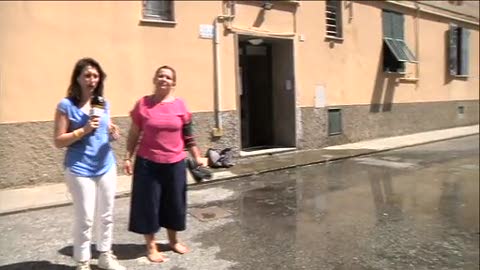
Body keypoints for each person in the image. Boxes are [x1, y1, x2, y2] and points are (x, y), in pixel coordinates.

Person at [123, 65, 204, 263]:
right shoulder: (143, 104)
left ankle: (173, 240)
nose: (163, 79)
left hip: (175, 162)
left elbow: (188, 135)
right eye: (160, 76)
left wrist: (198, 156)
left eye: (168, 77)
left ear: (173, 83)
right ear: (154, 79)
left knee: (175, 203)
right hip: (148, 163)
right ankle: (151, 246)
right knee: (148, 204)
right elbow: (134, 133)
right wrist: (127, 157)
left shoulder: (181, 106)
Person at [53, 57, 125, 270]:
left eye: (95, 76)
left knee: (107, 214)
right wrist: (83, 130)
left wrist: (113, 133)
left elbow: (103, 132)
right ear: (77, 78)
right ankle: (82, 262)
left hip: (105, 165)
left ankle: (105, 256)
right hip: (80, 168)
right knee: (85, 218)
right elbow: (58, 141)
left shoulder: (102, 102)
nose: (92, 79)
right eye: (87, 75)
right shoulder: (66, 105)